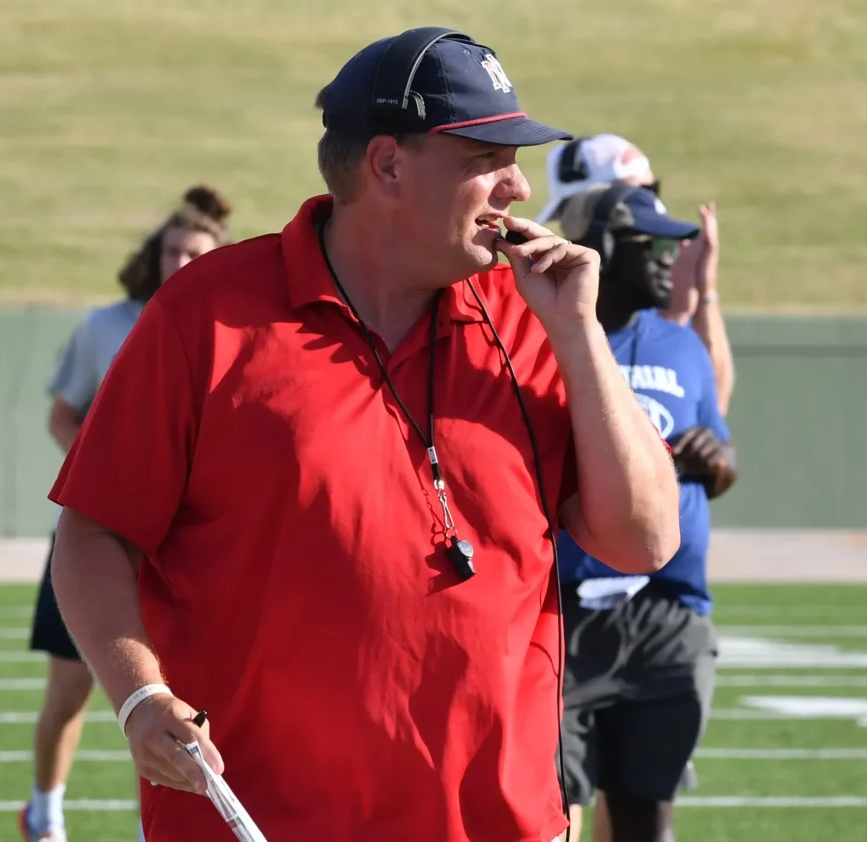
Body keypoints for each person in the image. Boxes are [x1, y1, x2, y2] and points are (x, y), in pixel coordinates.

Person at [46, 26, 681, 842]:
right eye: (485, 161)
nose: (518, 188)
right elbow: (94, 529)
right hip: (258, 824)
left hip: (500, 825)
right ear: (387, 165)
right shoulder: (207, 314)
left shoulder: (536, 319)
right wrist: (138, 696)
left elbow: (644, 538)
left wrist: (582, 337)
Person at [20, 184, 233, 842]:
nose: (181, 262)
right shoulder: (106, 326)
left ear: (219, 256)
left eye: (196, 252)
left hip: (190, 549)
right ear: (154, 254)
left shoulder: (234, 324)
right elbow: (63, 414)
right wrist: (110, 480)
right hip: (106, 534)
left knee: (192, 694)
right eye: (172, 250)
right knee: (71, 690)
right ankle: (45, 811)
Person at [552, 183, 739, 842]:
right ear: (598, 249)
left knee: (647, 817)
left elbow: (725, 462)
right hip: (562, 611)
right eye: (647, 244)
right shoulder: (541, 338)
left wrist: (715, 459)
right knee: (548, 814)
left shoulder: (682, 347)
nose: (668, 258)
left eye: (672, 244)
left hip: (666, 611)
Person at [538, 134, 735, 415]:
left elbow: (710, 411)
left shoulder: (661, 313)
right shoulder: (544, 326)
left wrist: (705, 294)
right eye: (635, 193)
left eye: (650, 192)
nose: (652, 205)